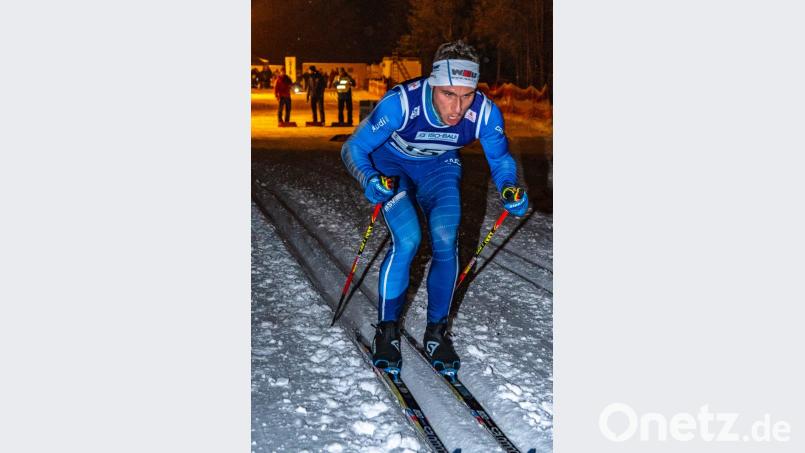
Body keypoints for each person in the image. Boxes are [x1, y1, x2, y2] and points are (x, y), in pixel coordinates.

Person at [341, 40, 529, 374]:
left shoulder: (485, 113)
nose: (457, 108)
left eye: (466, 95)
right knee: (408, 240)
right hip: (391, 166)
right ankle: (387, 331)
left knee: (445, 238)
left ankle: (437, 332)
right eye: (448, 94)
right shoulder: (400, 104)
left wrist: (510, 188)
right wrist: (369, 178)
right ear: (432, 84)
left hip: (439, 166)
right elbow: (353, 147)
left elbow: (501, 160)